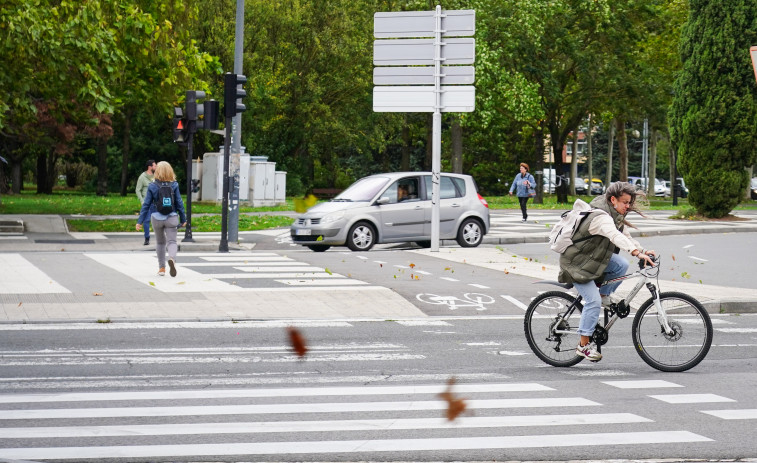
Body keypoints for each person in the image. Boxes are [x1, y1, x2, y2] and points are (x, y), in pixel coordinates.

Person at [558, 181, 656, 362]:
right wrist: (635, 252)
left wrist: (641, 251)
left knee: (621, 264)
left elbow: (624, 235)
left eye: (629, 203)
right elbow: (614, 236)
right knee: (592, 302)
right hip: (577, 264)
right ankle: (583, 346)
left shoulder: (615, 214)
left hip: (592, 259)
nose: (628, 206)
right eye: (625, 202)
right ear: (613, 200)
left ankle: (604, 295)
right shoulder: (601, 217)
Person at [136, 161, 186, 277]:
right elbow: (179, 203)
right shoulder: (174, 185)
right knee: (172, 241)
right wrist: (183, 219)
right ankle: (172, 259)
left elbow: (146, 205)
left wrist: (140, 221)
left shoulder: (152, 186)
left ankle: (162, 268)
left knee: (160, 242)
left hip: (156, 218)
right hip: (171, 217)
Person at [135, 160, 156, 245]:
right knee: (146, 220)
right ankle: (147, 238)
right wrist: (142, 201)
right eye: (155, 166)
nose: (156, 167)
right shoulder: (142, 177)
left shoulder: (156, 176)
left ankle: (160, 238)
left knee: (159, 220)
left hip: (155, 202)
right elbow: (138, 190)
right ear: (150, 167)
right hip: (147, 203)